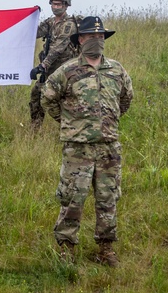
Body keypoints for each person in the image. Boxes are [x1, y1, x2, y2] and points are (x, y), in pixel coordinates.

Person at [41, 16, 132, 266]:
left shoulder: (117, 70)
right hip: (77, 149)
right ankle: (66, 249)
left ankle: (106, 249)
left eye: (100, 36)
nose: (96, 40)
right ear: (80, 40)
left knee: (108, 198)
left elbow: (125, 100)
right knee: (73, 198)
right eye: (90, 36)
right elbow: (47, 98)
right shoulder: (67, 71)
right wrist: (69, 123)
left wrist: (107, 122)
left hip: (108, 147)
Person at [29, 0, 78, 129]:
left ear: (66, 5)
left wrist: (43, 66)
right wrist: (31, 17)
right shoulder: (51, 22)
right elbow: (35, 32)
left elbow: (58, 47)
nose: (56, 7)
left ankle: (71, 128)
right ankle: (35, 127)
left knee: (62, 100)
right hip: (49, 70)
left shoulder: (69, 25)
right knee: (36, 95)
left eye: (59, 4)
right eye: (53, 4)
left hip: (64, 71)